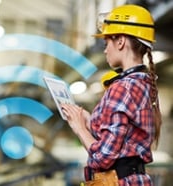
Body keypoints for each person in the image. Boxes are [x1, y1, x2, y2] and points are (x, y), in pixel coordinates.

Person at [61, 4, 162, 186]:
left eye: (106, 43)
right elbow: (123, 138)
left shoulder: (122, 87)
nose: (105, 50)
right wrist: (89, 120)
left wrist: (79, 128)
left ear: (121, 41)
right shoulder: (144, 82)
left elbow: (103, 157)